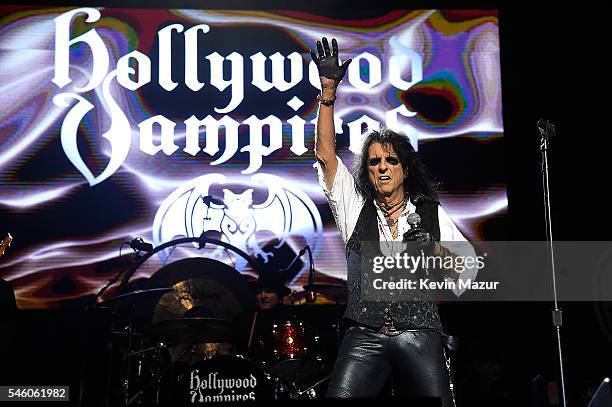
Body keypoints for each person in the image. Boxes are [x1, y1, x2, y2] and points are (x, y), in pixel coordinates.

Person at [311, 37, 477, 404]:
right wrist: (327, 93)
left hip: (419, 333)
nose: (382, 168)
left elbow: (467, 272)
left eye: (390, 161)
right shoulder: (355, 208)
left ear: (405, 169)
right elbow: (326, 157)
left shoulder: (430, 213)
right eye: (374, 162)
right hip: (366, 335)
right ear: (367, 173)